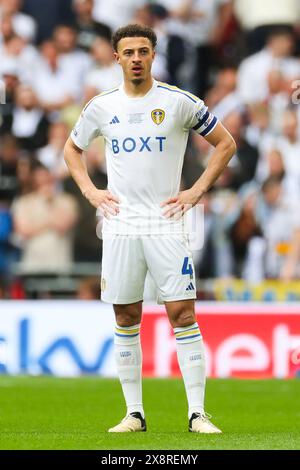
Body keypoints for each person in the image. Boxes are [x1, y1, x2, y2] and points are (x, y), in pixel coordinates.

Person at [64, 23, 236, 434]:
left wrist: (195, 190)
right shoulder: (101, 107)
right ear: (116, 58)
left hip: (167, 221)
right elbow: (72, 149)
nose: (136, 58)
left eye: (143, 51)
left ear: (154, 55)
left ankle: (197, 413)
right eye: (129, 52)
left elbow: (226, 143)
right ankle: (134, 414)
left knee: (182, 313)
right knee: (125, 315)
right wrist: (91, 192)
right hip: (121, 224)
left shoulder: (178, 102)